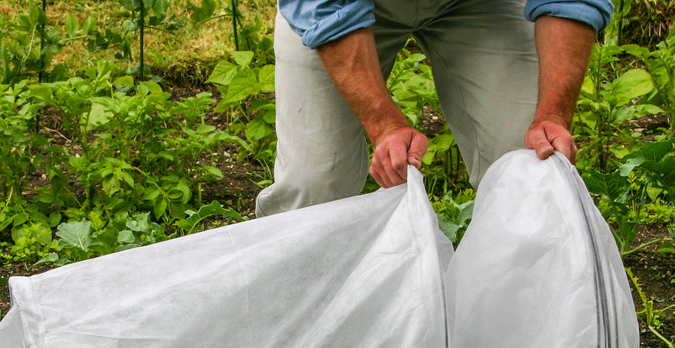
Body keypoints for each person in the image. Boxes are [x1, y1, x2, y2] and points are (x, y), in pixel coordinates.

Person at [255, 0, 613, 217]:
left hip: (481, 7)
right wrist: (383, 125)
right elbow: (327, 6)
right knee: (315, 187)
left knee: (528, 166)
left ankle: (521, 323)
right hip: (340, 7)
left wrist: (552, 115)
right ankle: (293, 320)